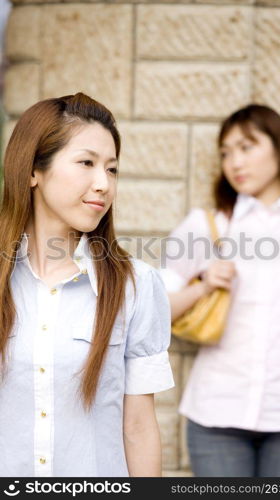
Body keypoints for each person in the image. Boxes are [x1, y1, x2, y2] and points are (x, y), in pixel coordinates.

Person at [0, 92, 174, 477]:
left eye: (112, 170)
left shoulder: (137, 285)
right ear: (33, 170)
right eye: (86, 163)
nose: (103, 184)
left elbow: (139, 428)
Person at [160, 104, 280, 477]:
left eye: (247, 147)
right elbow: (155, 311)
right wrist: (203, 286)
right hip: (217, 415)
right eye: (226, 152)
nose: (234, 162)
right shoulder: (207, 226)